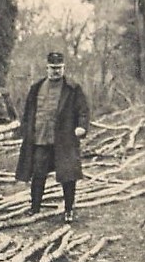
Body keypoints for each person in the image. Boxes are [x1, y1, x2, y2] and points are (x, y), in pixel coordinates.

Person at [15, 51, 90, 223]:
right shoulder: (37, 87)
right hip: (41, 139)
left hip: (64, 141)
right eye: (52, 68)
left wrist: (81, 128)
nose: (55, 71)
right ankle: (35, 208)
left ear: (63, 68)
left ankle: (69, 210)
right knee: (38, 173)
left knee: (68, 176)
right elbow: (28, 114)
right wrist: (26, 131)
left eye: (59, 68)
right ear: (47, 68)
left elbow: (83, 111)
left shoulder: (73, 88)